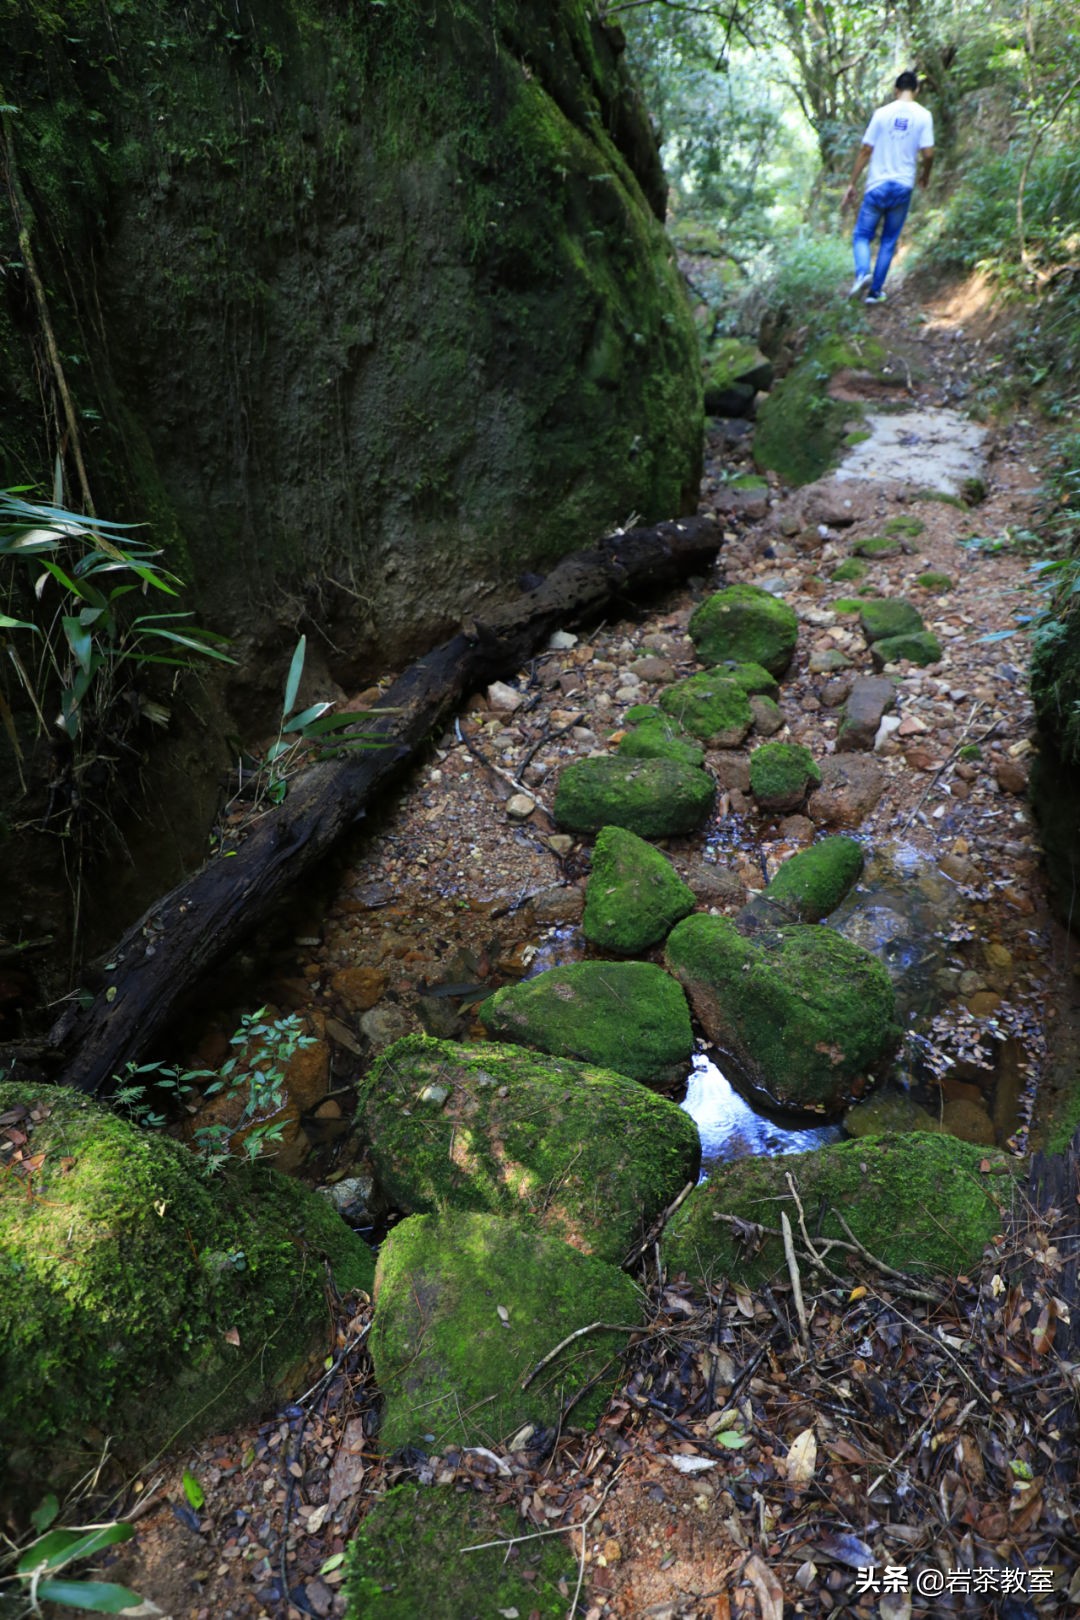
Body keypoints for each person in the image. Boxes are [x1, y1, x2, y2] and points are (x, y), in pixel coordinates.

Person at [842, 71, 934, 305]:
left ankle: (863, 273)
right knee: (888, 240)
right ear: (916, 90)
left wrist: (852, 182)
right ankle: (874, 293)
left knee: (862, 235)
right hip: (903, 186)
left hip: (877, 185)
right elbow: (928, 153)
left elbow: (865, 149)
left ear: (895, 90)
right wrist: (925, 175)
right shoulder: (924, 116)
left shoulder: (881, 114)